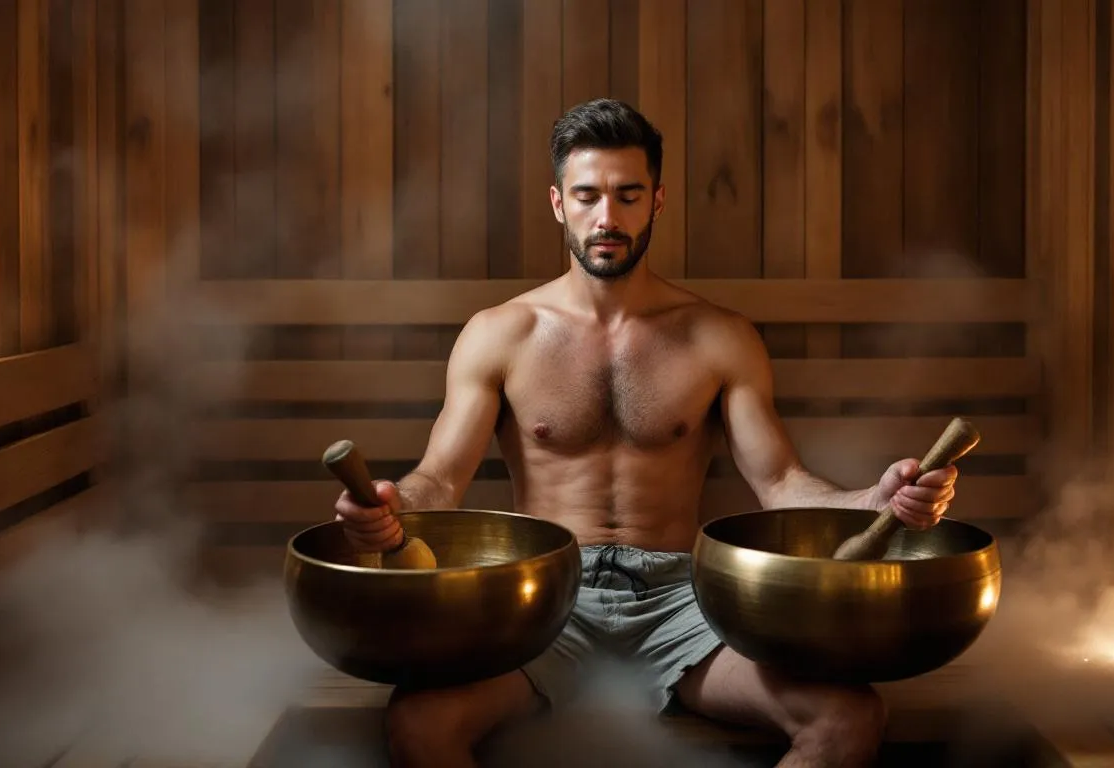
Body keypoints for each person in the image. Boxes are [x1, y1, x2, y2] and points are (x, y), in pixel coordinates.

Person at [334, 98, 960, 768]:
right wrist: (393, 504)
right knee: (419, 725)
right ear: (557, 203)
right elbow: (441, 478)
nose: (607, 218)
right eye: (587, 196)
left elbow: (779, 481)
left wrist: (873, 502)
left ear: (656, 201)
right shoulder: (500, 335)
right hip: (544, 605)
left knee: (847, 718)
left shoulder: (718, 336)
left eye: (628, 195)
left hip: (684, 606)